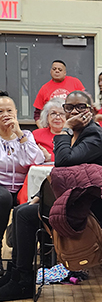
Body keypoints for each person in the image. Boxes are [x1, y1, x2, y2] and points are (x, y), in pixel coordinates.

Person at [0, 90, 102, 301]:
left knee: (24, 215)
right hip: (78, 201)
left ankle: (23, 282)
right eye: (69, 108)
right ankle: (15, 275)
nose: (74, 112)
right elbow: (65, 174)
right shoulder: (81, 133)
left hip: (91, 211)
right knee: (23, 209)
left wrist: (66, 129)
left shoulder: (93, 135)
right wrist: (40, 196)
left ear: (90, 111)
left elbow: (62, 161)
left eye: (80, 107)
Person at [0, 92, 45, 266]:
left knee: (27, 206)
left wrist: (18, 133)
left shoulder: (26, 135)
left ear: (16, 112)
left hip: (23, 187)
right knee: (3, 198)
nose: (5, 115)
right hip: (1, 186)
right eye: (0, 111)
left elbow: (37, 159)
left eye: (9, 110)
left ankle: (19, 264)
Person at [33, 97, 67, 161]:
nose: (57, 117)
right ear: (46, 117)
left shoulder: (73, 135)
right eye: (53, 113)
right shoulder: (36, 134)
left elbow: (74, 157)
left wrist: (50, 157)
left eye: (62, 114)